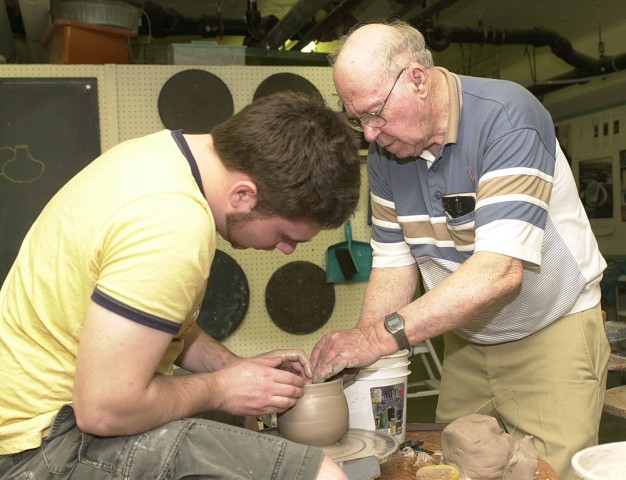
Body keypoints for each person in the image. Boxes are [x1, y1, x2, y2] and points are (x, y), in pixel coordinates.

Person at [0, 91, 361, 480]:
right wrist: (223, 389)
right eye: (285, 234)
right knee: (320, 473)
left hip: (33, 422)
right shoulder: (173, 224)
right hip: (42, 449)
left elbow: (150, 329)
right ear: (243, 194)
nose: (286, 250)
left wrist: (234, 368)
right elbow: (104, 408)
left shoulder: (157, 156)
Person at [310, 20, 610, 480]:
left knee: (552, 473)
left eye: (375, 113)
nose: (369, 134)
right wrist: (359, 360)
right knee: (447, 468)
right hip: (468, 341)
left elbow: (499, 271)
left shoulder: (507, 117)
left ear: (417, 77)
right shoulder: (390, 155)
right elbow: (393, 266)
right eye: (358, 120)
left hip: (552, 333)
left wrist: (374, 339)